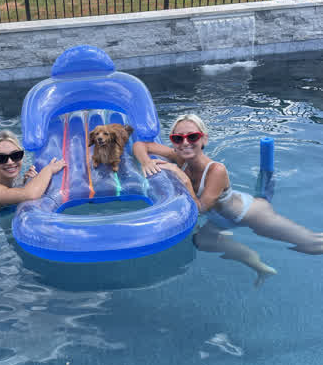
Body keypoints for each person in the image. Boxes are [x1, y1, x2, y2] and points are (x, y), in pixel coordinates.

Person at [133, 113, 323, 286]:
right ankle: (260, 266)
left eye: (192, 137)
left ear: (204, 139)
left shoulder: (216, 170)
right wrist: (146, 162)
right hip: (220, 218)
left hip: (251, 214)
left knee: (311, 245)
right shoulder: (179, 157)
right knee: (202, 241)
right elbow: (140, 145)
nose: (185, 142)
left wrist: (182, 178)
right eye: (178, 138)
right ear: (173, 141)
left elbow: (200, 209)